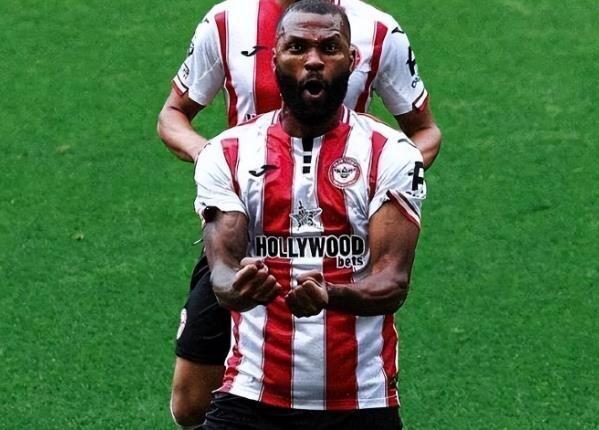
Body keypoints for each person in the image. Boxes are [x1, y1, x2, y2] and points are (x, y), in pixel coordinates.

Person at [157, 0, 440, 426]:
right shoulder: (226, 22)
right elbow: (172, 114)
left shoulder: (379, 30)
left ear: (351, 56)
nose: (313, 61)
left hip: (347, 224)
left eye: (328, 49)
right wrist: (220, 168)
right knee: (189, 404)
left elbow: (424, 130)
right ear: (274, 57)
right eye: (297, 48)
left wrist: (384, 185)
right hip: (245, 223)